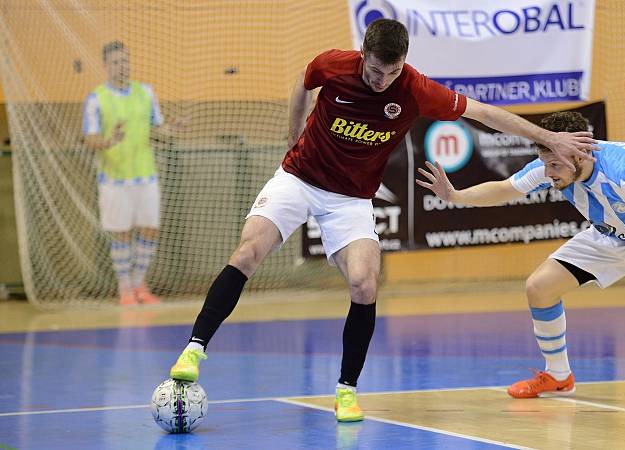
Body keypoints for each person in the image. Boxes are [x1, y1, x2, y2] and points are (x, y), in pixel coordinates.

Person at [167, 19, 596, 422]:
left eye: (391, 73)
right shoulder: (333, 65)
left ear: (402, 64)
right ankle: (194, 349)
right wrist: (293, 131)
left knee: (364, 282)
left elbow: (484, 113)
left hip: (351, 199)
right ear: (362, 55)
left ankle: (346, 389)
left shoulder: (414, 89)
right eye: (375, 71)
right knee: (249, 250)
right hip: (299, 178)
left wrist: (546, 136)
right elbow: (303, 82)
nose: (381, 81)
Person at [416, 111, 625, 416]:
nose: (548, 173)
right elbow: (504, 188)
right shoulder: (551, 164)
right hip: (607, 235)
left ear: (581, 153)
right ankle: (559, 376)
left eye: (554, 165)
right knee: (539, 288)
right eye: (546, 163)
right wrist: (455, 196)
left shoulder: (624, 170)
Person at [83, 41, 178, 306]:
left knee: (149, 229)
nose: (122, 66)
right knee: (121, 232)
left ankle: (139, 286)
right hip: (114, 178)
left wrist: (172, 129)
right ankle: (124, 289)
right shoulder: (96, 98)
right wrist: (109, 141)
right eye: (115, 62)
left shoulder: (145, 92)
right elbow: (89, 138)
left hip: (145, 174)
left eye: (125, 60)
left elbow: (157, 128)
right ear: (105, 65)